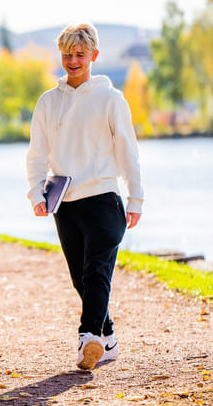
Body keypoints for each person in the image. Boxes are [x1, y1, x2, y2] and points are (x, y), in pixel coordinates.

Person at [26, 23, 143, 371]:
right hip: (65, 203)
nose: (73, 61)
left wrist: (136, 199)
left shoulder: (111, 99)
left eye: (80, 54)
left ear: (93, 55)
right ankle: (106, 340)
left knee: (96, 273)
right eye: (67, 54)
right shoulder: (48, 102)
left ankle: (87, 336)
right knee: (81, 277)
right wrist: (36, 193)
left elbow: (128, 152)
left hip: (104, 198)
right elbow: (36, 154)